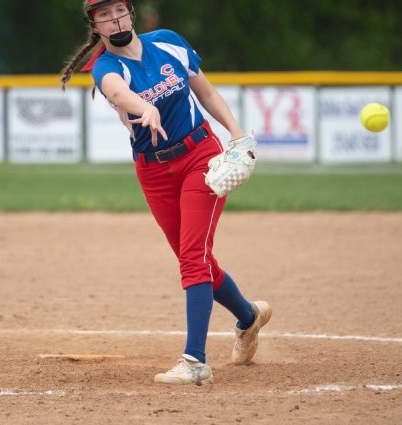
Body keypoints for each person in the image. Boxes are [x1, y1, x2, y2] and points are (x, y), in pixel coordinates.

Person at [60, 0, 271, 385]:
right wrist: (145, 106)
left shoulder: (169, 43)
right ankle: (248, 316)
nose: (114, 19)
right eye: (103, 15)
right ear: (95, 25)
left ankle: (195, 362)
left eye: (118, 10)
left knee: (193, 258)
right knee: (196, 259)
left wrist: (237, 135)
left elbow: (205, 92)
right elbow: (119, 93)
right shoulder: (107, 67)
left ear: (130, 12)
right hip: (153, 171)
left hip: (199, 157)